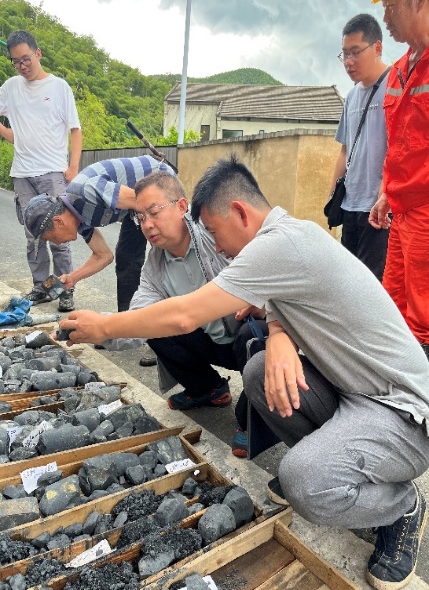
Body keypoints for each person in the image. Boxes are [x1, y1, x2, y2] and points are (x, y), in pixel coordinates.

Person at [60, 155, 429, 590]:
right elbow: (283, 299)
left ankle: (400, 506)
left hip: (402, 413)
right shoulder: (286, 238)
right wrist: (279, 334)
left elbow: (184, 315)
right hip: (354, 393)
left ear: (239, 212)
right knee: (257, 373)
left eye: (215, 232)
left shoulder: (277, 245)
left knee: (303, 482)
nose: (216, 246)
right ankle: (329, 464)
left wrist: (104, 326)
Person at [97, 170, 267, 457]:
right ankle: (208, 389)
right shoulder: (155, 265)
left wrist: (261, 304)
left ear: (181, 206)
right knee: (151, 322)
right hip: (209, 340)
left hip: (245, 333)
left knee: (255, 335)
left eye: (154, 212)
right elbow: (137, 317)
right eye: (140, 218)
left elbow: (270, 278)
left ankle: (255, 419)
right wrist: (101, 329)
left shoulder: (215, 234)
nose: (147, 225)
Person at [23, 154, 176, 365]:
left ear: (58, 221)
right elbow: (104, 256)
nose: (56, 243)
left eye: (51, 238)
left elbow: (142, 202)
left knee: (161, 262)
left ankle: (166, 341)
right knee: (126, 261)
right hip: (134, 204)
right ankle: (125, 329)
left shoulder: (86, 191)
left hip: (157, 184)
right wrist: (73, 278)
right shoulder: (79, 217)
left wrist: (161, 238)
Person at [370, 0, 429, 358]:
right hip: (402, 215)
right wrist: (385, 192)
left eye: (391, 6)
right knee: (393, 311)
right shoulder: (397, 73)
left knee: (424, 322)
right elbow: (398, 147)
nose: (385, 19)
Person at [0, 30, 82, 312]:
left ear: (38, 53)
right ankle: (41, 287)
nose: (22, 66)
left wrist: (73, 167)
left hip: (53, 172)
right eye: (16, 61)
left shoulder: (59, 87)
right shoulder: (11, 87)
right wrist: (9, 134)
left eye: (26, 59)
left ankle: (65, 288)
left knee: (59, 233)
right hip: (22, 173)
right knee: (33, 235)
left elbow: (75, 129)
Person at [329, 14, 390, 281]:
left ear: (377, 47)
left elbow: (400, 150)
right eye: (344, 54)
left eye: (355, 52)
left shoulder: (395, 87)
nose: (348, 61)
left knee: (372, 285)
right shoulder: (351, 96)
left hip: (379, 208)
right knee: (348, 282)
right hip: (350, 205)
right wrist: (333, 195)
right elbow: (344, 149)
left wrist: (385, 193)